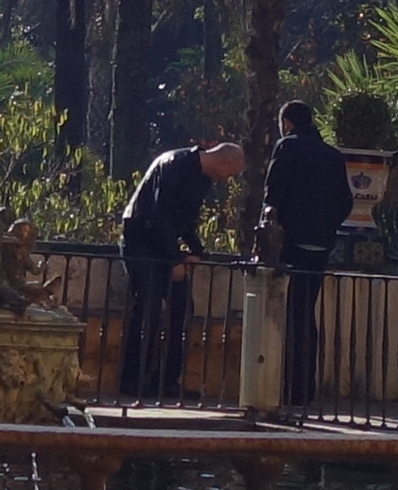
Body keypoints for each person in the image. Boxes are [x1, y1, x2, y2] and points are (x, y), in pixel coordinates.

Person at [116, 137, 242, 401]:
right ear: (224, 161)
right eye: (230, 172)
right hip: (141, 239)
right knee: (147, 309)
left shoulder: (202, 178)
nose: (227, 179)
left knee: (182, 311)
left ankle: (167, 381)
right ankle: (133, 380)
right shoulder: (174, 164)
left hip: (163, 243)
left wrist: (196, 250)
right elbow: (158, 216)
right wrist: (174, 260)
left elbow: (186, 220)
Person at [260, 100, 353, 410]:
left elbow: (273, 195)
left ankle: (287, 387)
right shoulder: (333, 156)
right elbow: (345, 203)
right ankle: (305, 388)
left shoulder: (286, 148)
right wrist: (326, 230)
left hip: (292, 245)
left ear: (286, 122)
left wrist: (272, 233)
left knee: (289, 314)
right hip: (321, 246)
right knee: (306, 314)